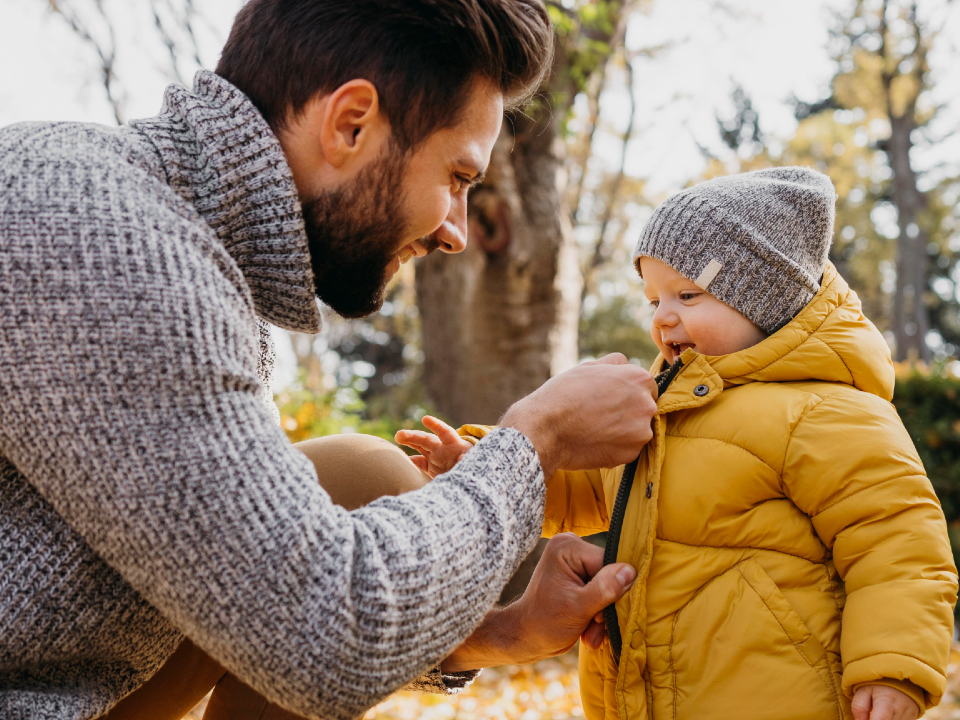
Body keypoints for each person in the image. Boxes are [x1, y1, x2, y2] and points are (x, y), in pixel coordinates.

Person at [0, 1, 663, 719]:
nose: (457, 232)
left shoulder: (178, 237)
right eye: (458, 178)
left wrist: (502, 635)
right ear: (351, 123)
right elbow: (320, 634)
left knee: (361, 477)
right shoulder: (99, 240)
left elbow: (254, 574)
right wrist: (538, 440)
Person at [397, 167, 960, 720]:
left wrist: (892, 666)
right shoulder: (657, 411)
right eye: (653, 299)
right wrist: (486, 466)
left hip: (778, 696)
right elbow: (586, 484)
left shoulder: (826, 411)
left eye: (687, 295)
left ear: (764, 299)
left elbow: (898, 547)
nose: (663, 318)